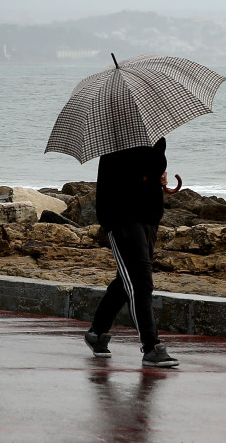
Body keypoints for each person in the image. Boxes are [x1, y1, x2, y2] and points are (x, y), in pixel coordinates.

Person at [84, 137, 179, 367]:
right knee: (140, 281)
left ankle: (96, 333)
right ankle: (151, 346)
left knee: (125, 279)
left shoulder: (154, 135)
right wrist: (148, 173)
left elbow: (154, 165)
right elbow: (122, 176)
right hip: (121, 217)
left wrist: (161, 175)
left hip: (149, 214)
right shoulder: (113, 140)